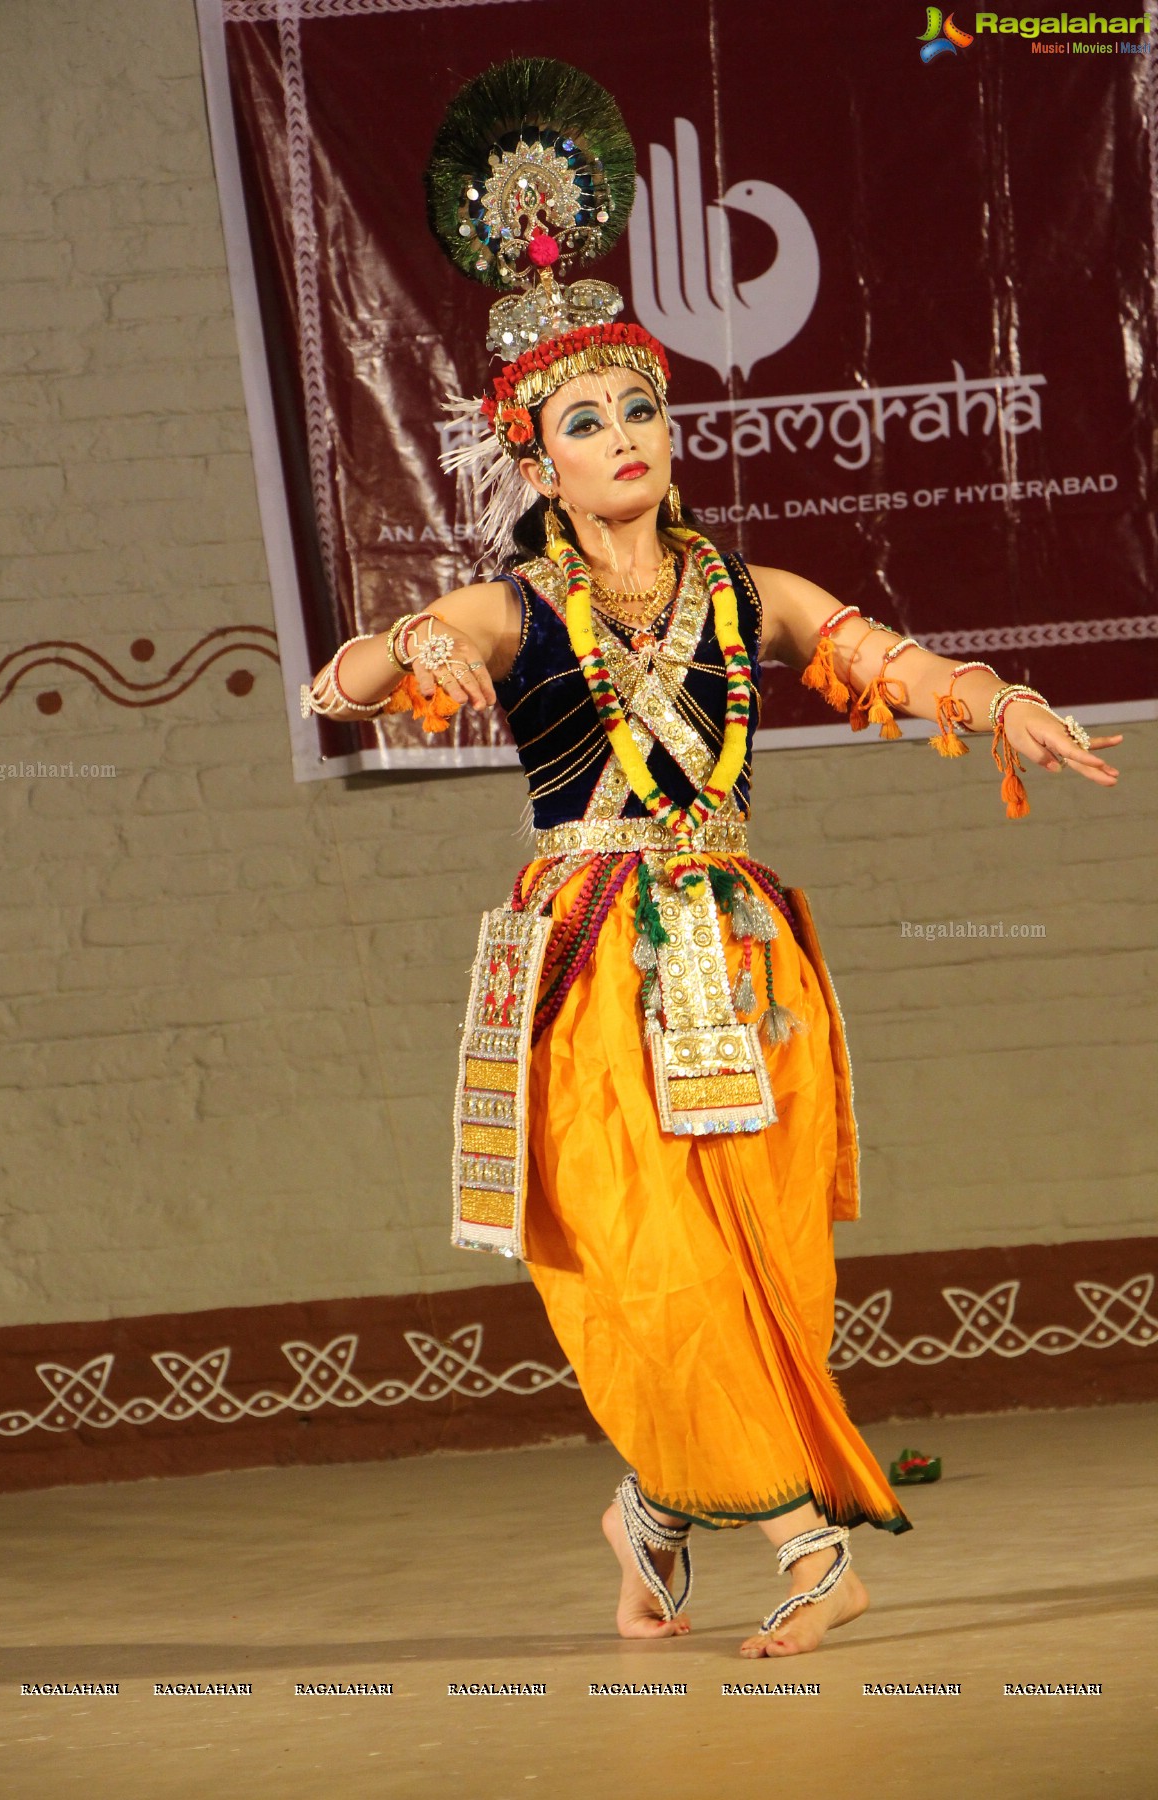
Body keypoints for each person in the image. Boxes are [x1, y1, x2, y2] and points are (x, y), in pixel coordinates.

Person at [303, 60, 1122, 1658]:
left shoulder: (746, 590)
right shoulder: (515, 610)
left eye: (644, 409)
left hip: (738, 968)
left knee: (763, 1274)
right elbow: (353, 674)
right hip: (594, 979)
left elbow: (890, 661)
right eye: (587, 419)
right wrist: (402, 649)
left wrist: (1001, 704)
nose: (626, 437)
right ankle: (815, 1548)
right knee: (654, 1267)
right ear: (537, 458)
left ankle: (658, 1509)